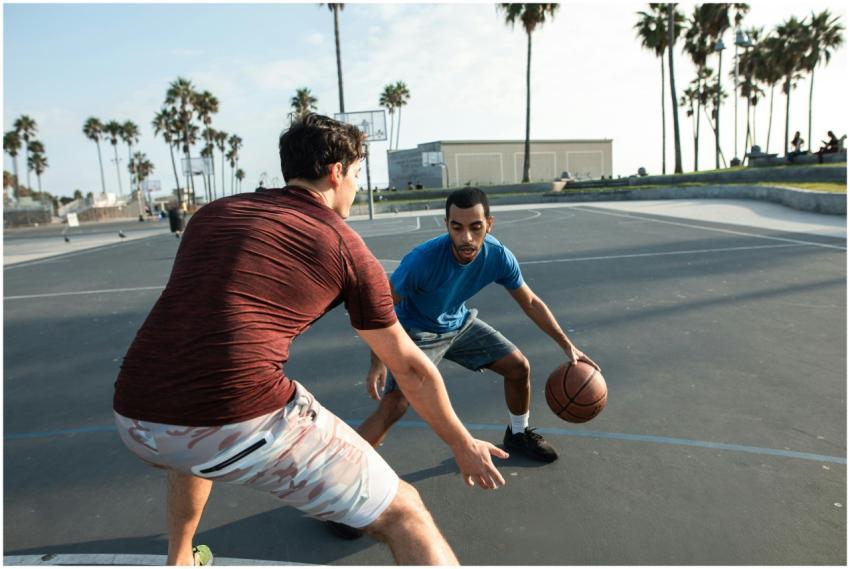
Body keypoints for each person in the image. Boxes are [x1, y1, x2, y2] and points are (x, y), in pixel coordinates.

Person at [113, 114, 507, 566]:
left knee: (195, 424)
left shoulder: (214, 215)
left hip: (135, 416)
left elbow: (203, 323)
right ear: (337, 172)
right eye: (357, 174)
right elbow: (412, 369)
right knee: (406, 514)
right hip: (234, 420)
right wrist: (462, 443)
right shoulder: (343, 244)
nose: (357, 187)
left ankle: (179, 559)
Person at [353, 187, 598, 484]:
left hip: (458, 324)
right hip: (416, 331)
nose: (466, 237)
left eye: (475, 227)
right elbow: (381, 307)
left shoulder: (497, 256)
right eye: (457, 227)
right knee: (396, 404)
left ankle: (518, 434)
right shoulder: (422, 260)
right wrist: (378, 361)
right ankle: (342, 480)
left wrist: (567, 345)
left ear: (489, 225)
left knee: (518, 367)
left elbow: (530, 302)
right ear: (446, 226)